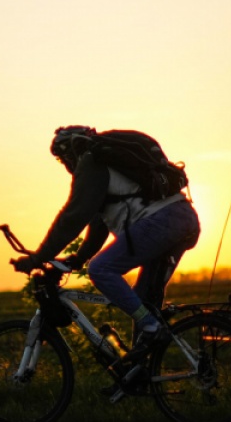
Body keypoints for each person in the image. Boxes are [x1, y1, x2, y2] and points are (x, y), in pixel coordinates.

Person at [10, 126, 200, 349]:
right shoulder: (109, 162)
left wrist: (39, 257)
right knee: (143, 300)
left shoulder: (91, 162)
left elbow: (74, 216)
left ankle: (151, 327)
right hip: (182, 218)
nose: (66, 165)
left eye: (62, 159)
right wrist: (79, 258)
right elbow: (98, 226)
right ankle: (142, 367)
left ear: (70, 153)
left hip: (162, 222)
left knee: (100, 269)